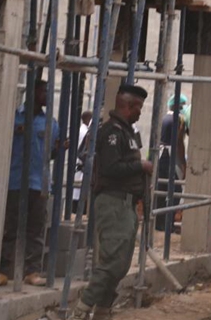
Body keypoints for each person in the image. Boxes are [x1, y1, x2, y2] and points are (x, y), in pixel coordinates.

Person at [69, 85, 152, 320]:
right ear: (127, 106)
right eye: (138, 108)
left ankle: (103, 310)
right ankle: (82, 309)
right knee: (112, 262)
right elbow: (111, 168)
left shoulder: (128, 132)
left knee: (121, 263)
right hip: (113, 202)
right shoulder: (112, 132)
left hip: (126, 205)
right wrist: (141, 166)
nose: (140, 113)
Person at [0, 80, 60, 287]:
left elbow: (51, 152)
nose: (47, 95)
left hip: (39, 183)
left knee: (36, 229)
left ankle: (32, 271)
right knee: (10, 227)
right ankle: (4, 271)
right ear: (33, 93)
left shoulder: (51, 123)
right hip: (15, 180)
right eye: (44, 91)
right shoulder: (12, 117)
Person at [155, 94, 188, 232]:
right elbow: (178, 142)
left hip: (162, 155)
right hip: (170, 155)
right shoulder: (177, 119)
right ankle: (168, 224)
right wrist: (183, 164)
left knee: (162, 188)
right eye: (182, 106)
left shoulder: (164, 118)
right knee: (174, 190)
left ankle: (160, 222)